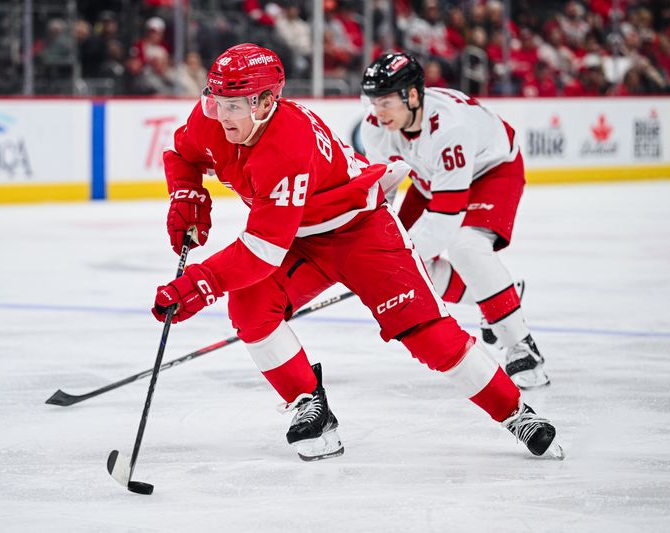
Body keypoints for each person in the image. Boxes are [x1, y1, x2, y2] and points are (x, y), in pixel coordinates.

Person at [152, 43, 562, 462]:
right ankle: (309, 405)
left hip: (361, 231)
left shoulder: (286, 144)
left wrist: (199, 284)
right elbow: (182, 154)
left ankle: (515, 412)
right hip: (301, 236)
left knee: (428, 336)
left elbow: (260, 252)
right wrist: (185, 193)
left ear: (265, 101)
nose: (221, 115)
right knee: (251, 304)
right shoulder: (210, 119)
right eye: (216, 100)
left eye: (234, 105)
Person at [359, 52, 550, 390]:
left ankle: (521, 345)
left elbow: (446, 220)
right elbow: (381, 193)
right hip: (430, 177)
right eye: (374, 101)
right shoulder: (375, 127)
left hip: (492, 169)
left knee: (465, 246)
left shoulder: (450, 127)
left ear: (413, 96)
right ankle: (497, 297)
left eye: (387, 101)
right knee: (394, 257)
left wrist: (401, 256)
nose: (378, 111)